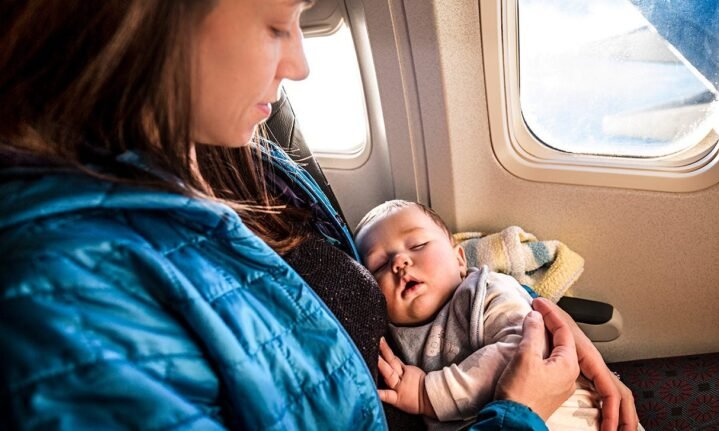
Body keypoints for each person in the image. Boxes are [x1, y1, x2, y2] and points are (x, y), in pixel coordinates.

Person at [0, 1, 636, 430]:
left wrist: (540, 329)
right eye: (275, 24)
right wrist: (518, 410)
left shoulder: (243, 140)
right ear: (146, 25)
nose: (299, 64)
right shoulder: (64, 306)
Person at [355, 200, 641, 430]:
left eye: (417, 245)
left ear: (459, 259)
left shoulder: (484, 291)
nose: (399, 262)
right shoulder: (390, 337)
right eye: (379, 264)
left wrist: (426, 393)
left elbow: (523, 354)